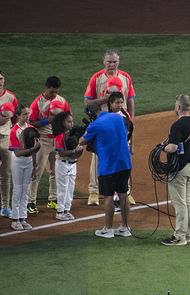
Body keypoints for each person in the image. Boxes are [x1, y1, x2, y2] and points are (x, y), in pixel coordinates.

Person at [84, 48, 136, 206]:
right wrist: (104, 100)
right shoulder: (96, 78)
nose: (112, 64)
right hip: (103, 122)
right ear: (103, 61)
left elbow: (131, 100)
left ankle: (125, 191)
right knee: (98, 156)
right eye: (109, 62)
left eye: (115, 61)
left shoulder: (126, 77)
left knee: (123, 155)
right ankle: (93, 191)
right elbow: (87, 103)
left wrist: (131, 120)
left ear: (118, 62)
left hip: (121, 122)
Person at [78, 109, 133, 238]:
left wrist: (88, 132)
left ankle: (108, 229)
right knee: (123, 195)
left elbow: (81, 141)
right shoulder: (118, 118)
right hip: (125, 164)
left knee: (108, 197)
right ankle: (125, 228)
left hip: (109, 166)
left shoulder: (95, 125)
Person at [161, 94, 190, 246]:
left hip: (180, 169)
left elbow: (173, 147)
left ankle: (180, 237)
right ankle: (188, 235)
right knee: (188, 201)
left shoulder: (177, 125)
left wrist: (162, 148)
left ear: (178, 107)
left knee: (180, 203)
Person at [28, 76, 70, 214]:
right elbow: (31, 122)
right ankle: (30, 202)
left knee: (54, 171)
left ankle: (53, 199)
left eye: (56, 92)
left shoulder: (62, 100)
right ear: (46, 88)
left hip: (57, 139)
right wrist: (47, 121)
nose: (53, 94)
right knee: (37, 171)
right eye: (51, 92)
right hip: (43, 140)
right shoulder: (37, 103)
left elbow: (69, 116)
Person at [8, 105, 40, 231]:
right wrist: (33, 149)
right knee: (18, 189)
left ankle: (23, 218)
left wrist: (34, 164)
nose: (27, 116)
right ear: (18, 116)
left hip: (28, 161)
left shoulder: (31, 128)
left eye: (28, 114)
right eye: (24, 114)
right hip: (18, 161)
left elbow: (35, 150)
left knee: (25, 188)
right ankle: (15, 219)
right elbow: (17, 153)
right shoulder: (14, 130)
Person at [51, 112, 85, 220]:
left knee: (70, 188)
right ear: (62, 123)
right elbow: (61, 153)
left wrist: (78, 150)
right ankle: (60, 212)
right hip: (62, 164)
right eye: (68, 121)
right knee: (63, 188)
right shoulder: (59, 136)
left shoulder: (72, 134)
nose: (71, 124)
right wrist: (75, 150)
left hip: (72, 164)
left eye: (72, 121)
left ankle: (66, 210)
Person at [0, 70, 19, 218]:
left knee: (6, 174)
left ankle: (5, 206)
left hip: (6, 139)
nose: (0, 81)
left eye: (1, 78)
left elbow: (16, 118)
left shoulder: (10, 97)